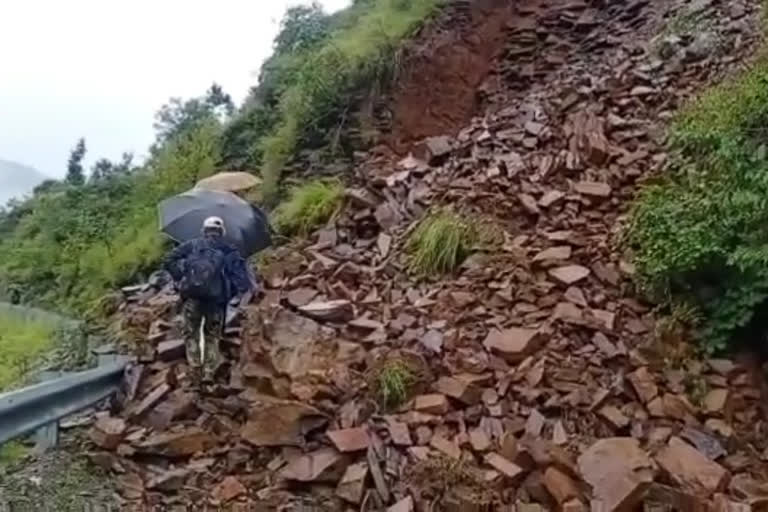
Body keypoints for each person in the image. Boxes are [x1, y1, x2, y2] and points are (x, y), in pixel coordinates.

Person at [163, 216, 251, 384]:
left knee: (191, 334)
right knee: (212, 336)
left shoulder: (191, 245)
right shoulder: (228, 250)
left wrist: (180, 276)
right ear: (221, 231)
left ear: (204, 230)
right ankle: (209, 373)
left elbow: (168, 260)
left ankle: (195, 371)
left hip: (192, 298)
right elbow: (240, 278)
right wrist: (233, 292)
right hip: (216, 302)